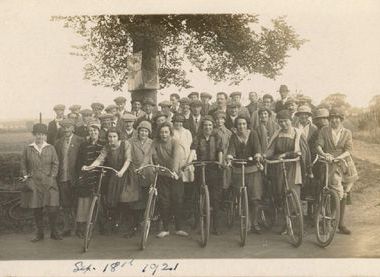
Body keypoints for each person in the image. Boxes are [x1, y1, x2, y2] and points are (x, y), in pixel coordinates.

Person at [316, 107, 358, 235]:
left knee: (345, 191)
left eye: (337, 118)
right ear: (329, 119)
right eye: (332, 118)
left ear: (341, 119)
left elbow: (349, 149)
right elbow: (318, 145)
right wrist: (324, 154)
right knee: (333, 190)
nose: (334, 120)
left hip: (344, 162)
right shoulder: (324, 130)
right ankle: (327, 221)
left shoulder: (347, 132)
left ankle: (340, 223)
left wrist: (340, 157)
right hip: (329, 163)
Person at [83, 127, 132, 233]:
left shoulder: (125, 144)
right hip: (114, 173)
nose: (112, 139)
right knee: (112, 199)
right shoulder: (107, 147)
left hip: (125, 173)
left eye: (114, 136)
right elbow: (99, 159)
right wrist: (89, 167)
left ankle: (126, 222)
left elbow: (128, 160)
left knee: (124, 198)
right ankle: (114, 221)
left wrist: (122, 172)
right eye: (110, 136)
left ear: (118, 137)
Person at [20, 123, 62, 242]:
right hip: (34, 183)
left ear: (46, 136)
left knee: (53, 208)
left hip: (49, 183)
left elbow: (56, 163)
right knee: (37, 209)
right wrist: (26, 178)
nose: (40, 137)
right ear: (34, 135)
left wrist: (52, 177)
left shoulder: (51, 148)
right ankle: (40, 233)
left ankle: (54, 231)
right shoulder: (28, 149)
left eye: (43, 134)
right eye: (38, 134)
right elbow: (23, 165)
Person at [265, 110, 313, 201]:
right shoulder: (277, 133)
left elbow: (303, 151)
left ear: (290, 120)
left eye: (285, 121)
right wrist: (265, 155)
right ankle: (281, 211)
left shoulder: (298, 133)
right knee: (278, 188)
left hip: (293, 165)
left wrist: (286, 154)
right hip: (279, 164)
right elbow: (271, 149)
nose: (283, 124)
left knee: (292, 187)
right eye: (280, 121)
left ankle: (294, 212)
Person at [227, 116, 263, 234]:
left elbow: (257, 147)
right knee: (242, 197)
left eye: (243, 124)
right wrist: (229, 158)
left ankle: (255, 222)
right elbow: (231, 150)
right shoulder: (234, 136)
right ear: (236, 126)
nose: (241, 126)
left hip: (252, 169)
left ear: (247, 124)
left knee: (255, 198)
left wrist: (257, 156)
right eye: (239, 124)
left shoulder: (253, 134)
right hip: (239, 169)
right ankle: (246, 222)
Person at [152, 122, 188, 238]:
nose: (164, 134)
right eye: (162, 132)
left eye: (166, 132)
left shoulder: (175, 142)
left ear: (170, 132)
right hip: (162, 176)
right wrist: (153, 165)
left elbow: (176, 157)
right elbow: (151, 155)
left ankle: (179, 228)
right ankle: (165, 229)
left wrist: (173, 171)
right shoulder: (155, 142)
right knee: (164, 201)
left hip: (175, 175)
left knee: (178, 200)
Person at [191, 116, 224, 234]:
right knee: (197, 197)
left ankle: (216, 226)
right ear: (202, 126)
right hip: (200, 168)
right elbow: (193, 150)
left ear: (213, 126)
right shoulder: (198, 137)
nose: (208, 127)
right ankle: (198, 223)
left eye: (210, 125)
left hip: (214, 168)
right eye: (205, 125)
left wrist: (220, 162)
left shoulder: (217, 136)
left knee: (215, 198)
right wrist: (190, 162)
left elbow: (220, 150)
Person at [54, 118, 85, 237]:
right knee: (65, 204)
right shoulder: (58, 142)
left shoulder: (80, 141)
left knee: (77, 204)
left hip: (76, 178)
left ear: (73, 128)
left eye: (69, 127)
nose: (66, 130)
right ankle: (67, 227)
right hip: (62, 178)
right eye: (64, 127)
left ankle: (79, 228)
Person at [75, 120, 104, 238]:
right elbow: (79, 162)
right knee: (84, 203)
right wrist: (82, 167)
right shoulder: (84, 145)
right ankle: (81, 228)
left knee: (101, 201)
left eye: (95, 130)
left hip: (100, 176)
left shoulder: (104, 144)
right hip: (87, 176)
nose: (93, 132)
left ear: (99, 131)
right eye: (91, 130)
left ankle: (101, 226)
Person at [126, 121, 154, 238]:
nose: (143, 133)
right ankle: (134, 225)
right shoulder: (131, 141)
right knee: (134, 201)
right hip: (134, 173)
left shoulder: (152, 143)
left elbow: (151, 158)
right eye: (141, 130)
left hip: (147, 173)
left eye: (146, 131)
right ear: (138, 131)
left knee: (146, 199)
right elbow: (128, 157)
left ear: (149, 133)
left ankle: (145, 223)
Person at [172, 114, 195, 220]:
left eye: (180, 122)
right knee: (176, 191)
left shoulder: (187, 132)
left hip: (186, 163)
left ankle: (186, 214)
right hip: (175, 163)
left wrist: (188, 163)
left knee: (187, 190)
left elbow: (191, 148)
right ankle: (176, 214)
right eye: (176, 121)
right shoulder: (171, 132)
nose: (178, 124)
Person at [214, 111, 232, 191]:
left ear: (224, 120)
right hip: (214, 158)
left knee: (226, 180)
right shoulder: (213, 131)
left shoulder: (228, 132)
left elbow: (231, 146)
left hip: (225, 158)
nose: (219, 121)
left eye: (221, 119)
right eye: (217, 119)